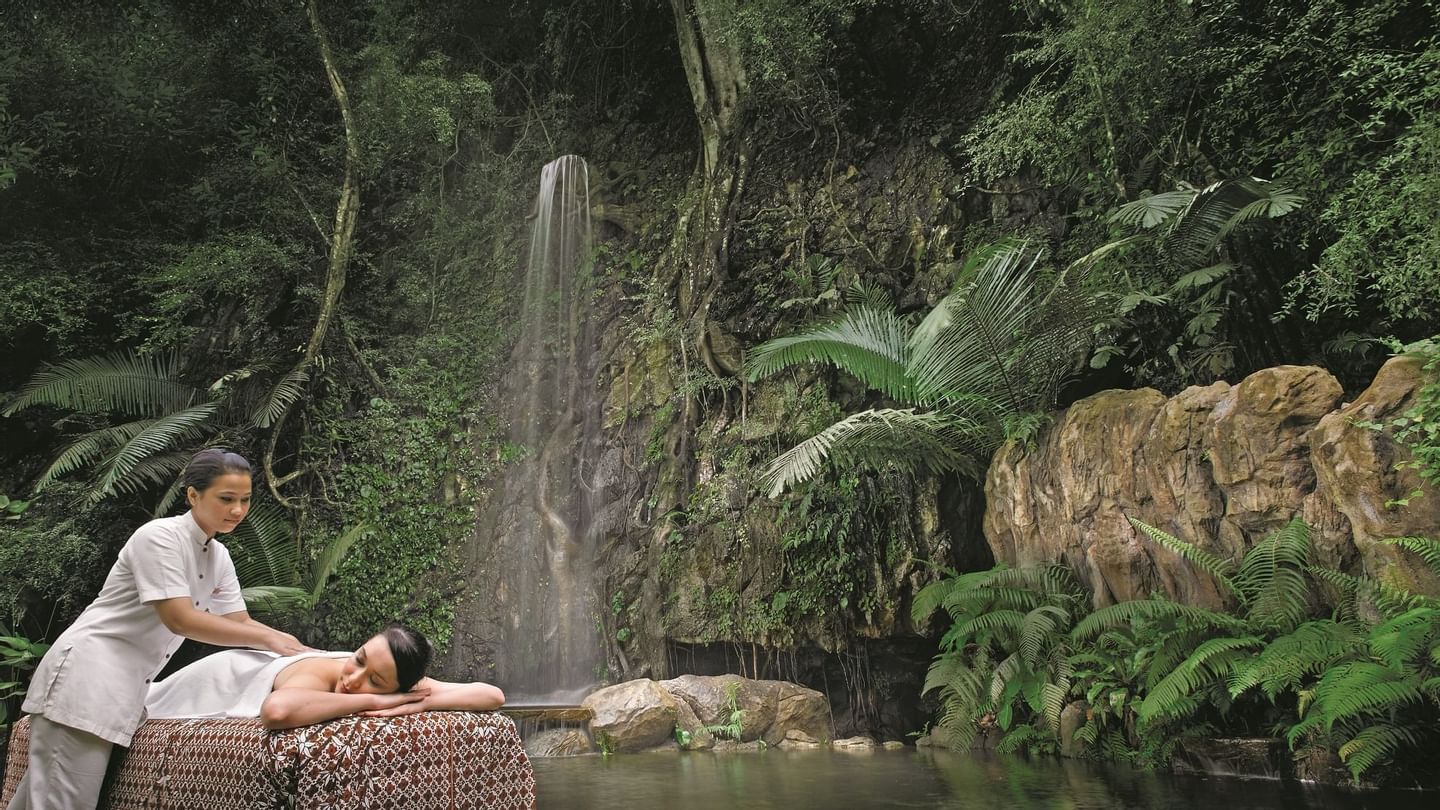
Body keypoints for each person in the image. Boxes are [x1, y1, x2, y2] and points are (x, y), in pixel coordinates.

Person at [8, 448, 312, 810]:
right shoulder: (159, 537)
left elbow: (239, 622)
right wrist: (267, 638)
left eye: (245, 500)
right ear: (193, 495)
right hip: (86, 681)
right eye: (226, 499)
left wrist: (295, 648)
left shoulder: (218, 556)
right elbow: (179, 618)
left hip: (121, 692)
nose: (237, 510)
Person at [144, 623, 506, 729]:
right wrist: (377, 698)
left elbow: (491, 695)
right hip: (172, 694)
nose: (353, 677)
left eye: (375, 680)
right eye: (359, 658)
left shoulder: (401, 679)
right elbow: (278, 711)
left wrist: (414, 706)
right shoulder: (319, 673)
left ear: (402, 684)